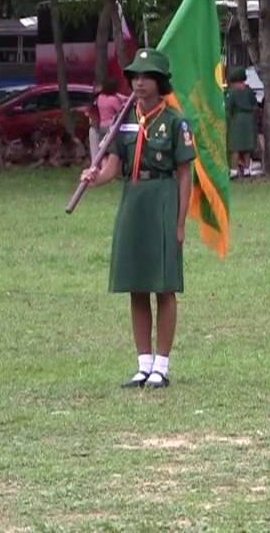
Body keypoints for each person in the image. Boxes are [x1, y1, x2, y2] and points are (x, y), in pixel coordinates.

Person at [78, 49, 195, 389]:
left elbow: (185, 174)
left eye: (146, 76)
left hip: (162, 198)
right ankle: (143, 365)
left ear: (160, 82)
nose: (139, 82)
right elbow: (113, 168)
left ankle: (162, 365)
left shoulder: (175, 122)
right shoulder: (123, 122)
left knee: (164, 286)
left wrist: (180, 221)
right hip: (133, 201)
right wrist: (93, 177)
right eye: (135, 76)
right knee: (136, 284)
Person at [224, 67, 257, 179]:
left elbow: (228, 108)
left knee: (235, 146)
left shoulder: (231, 92)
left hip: (236, 119)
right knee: (247, 147)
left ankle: (233, 171)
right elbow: (255, 105)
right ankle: (247, 170)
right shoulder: (249, 91)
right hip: (248, 119)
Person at [89, 78, 128, 156]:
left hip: (102, 126)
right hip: (111, 126)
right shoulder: (113, 100)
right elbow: (121, 111)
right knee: (113, 150)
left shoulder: (100, 98)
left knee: (104, 150)